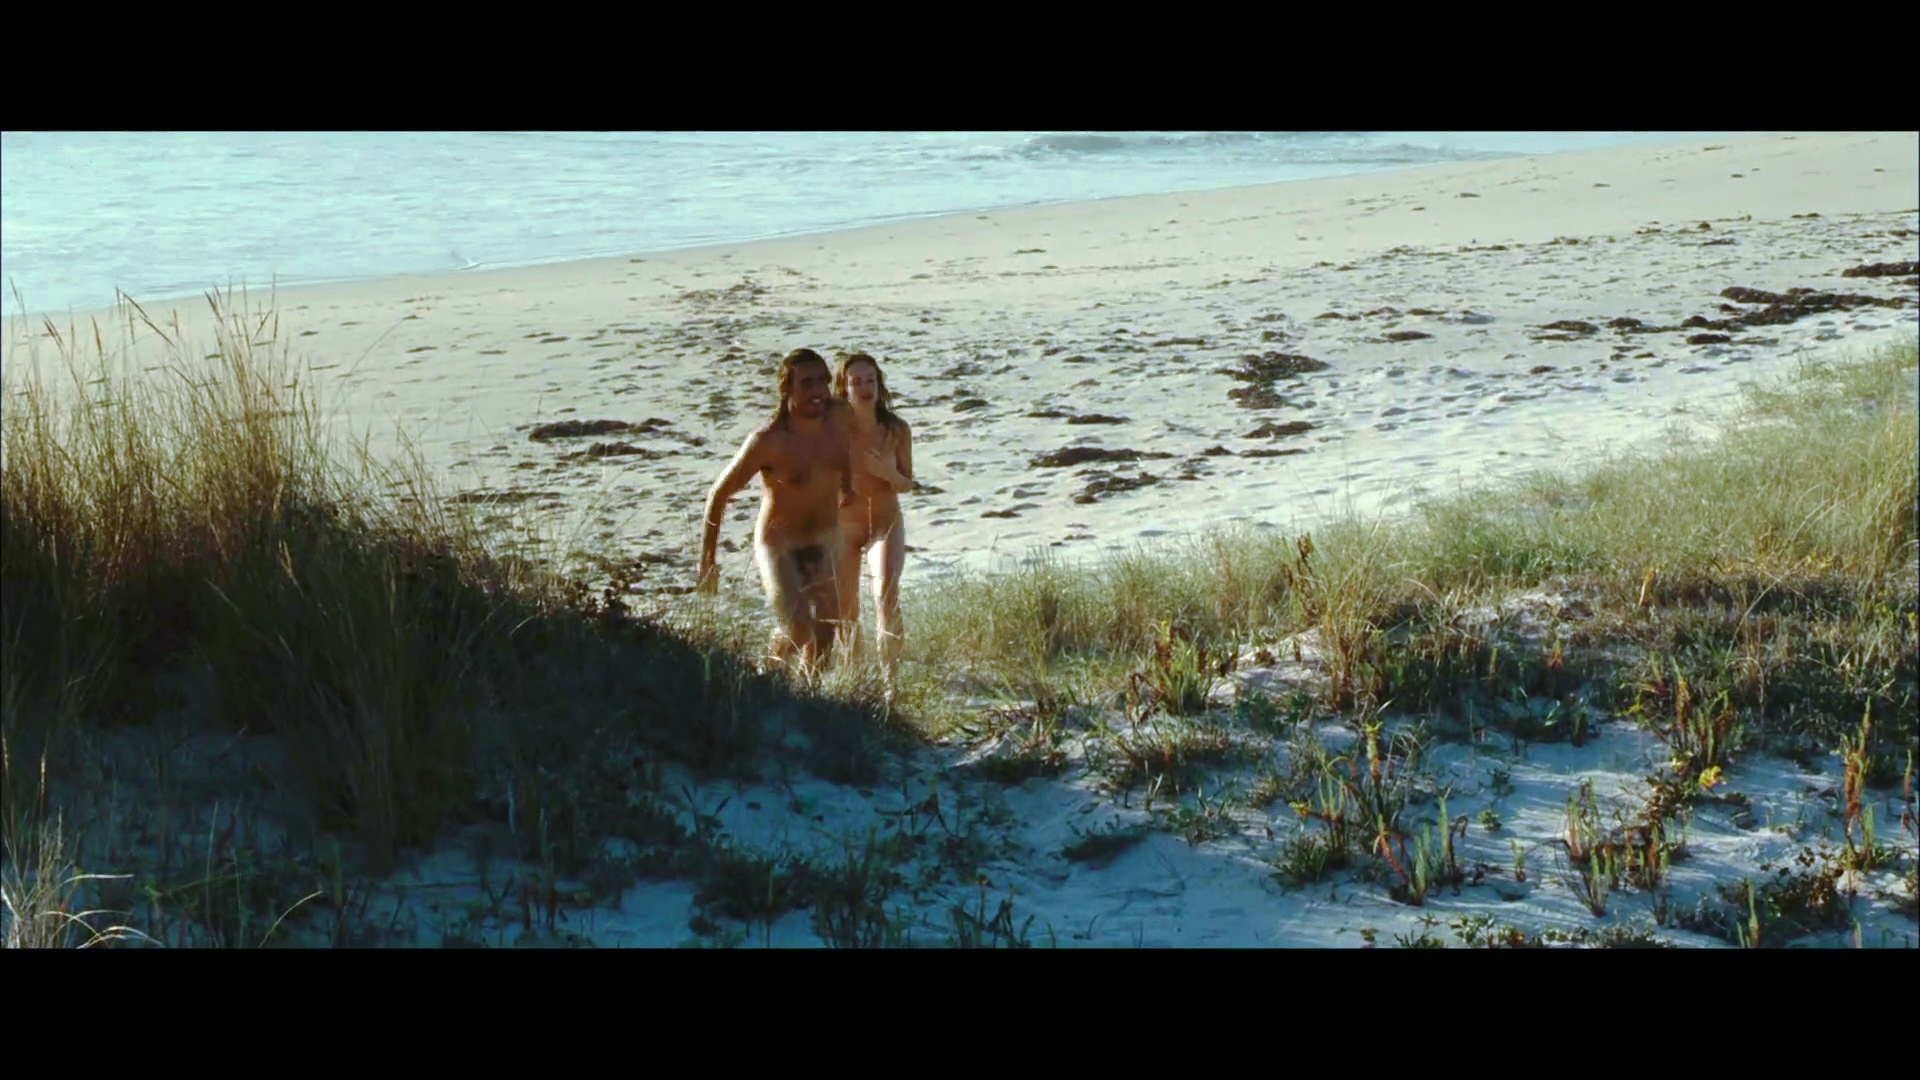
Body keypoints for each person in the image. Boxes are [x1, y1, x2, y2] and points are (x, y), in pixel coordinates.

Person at [698, 348, 855, 674]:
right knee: (799, 629)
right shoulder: (768, 440)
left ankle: (807, 696)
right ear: (786, 389)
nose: (817, 391)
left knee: (826, 633)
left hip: (825, 538)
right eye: (806, 383)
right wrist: (708, 561)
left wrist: (850, 485)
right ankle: (768, 676)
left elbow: (852, 446)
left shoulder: (840, 418)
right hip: (779, 544)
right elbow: (718, 494)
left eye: (822, 382)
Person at [831, 352, 914, 683]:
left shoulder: (896, 429)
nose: (865, 388)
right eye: (856, 382)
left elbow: (907, 484)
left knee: (886, 595)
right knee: (845, 610)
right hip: (844, 528)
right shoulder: (832, 431)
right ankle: (855, 681)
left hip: (885, 523)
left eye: (871, 380)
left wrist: (888, 472)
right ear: (844, 388)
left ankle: (891, 683)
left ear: (879, 385)